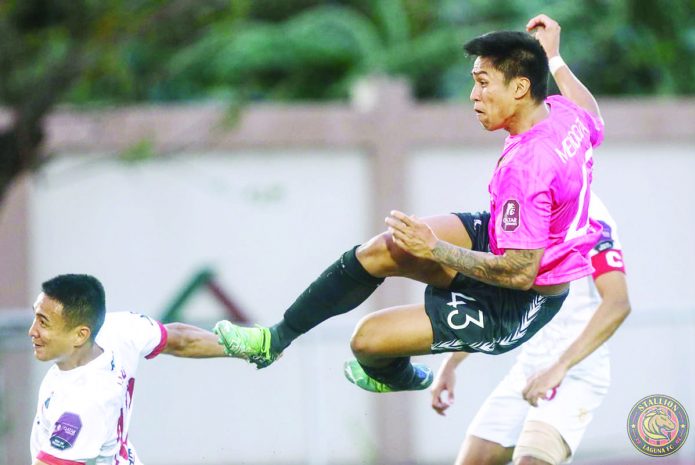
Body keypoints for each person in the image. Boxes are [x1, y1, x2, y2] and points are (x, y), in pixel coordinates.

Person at [215, 14, 605, 393]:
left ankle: (402, 376)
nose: (474, 95)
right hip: (510, 243)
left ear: (519, 89)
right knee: (386, 248)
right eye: (474, 81)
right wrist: (554, 58)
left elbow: (520, 273)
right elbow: (593, 115)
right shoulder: (563, 112)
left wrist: (435, 249)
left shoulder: (528, 168)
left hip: (522, 300)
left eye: (484, 83)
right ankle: (274, 339)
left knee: (367, 341)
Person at [430, 193, 630, 465]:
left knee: (531, 460)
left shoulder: (588, 213)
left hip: (575, 372)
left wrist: (560, 366)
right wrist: (453, 361)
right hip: (527, 370)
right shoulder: (522, 203)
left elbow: (618, 303)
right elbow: (498, 294)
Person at [29, 273, 228, 465]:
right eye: (35, 317)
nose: (32, 331)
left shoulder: (83, 403)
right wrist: (250, 344)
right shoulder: (119, 329)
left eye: (43, 323)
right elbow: (182, 339)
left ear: (80, 335)